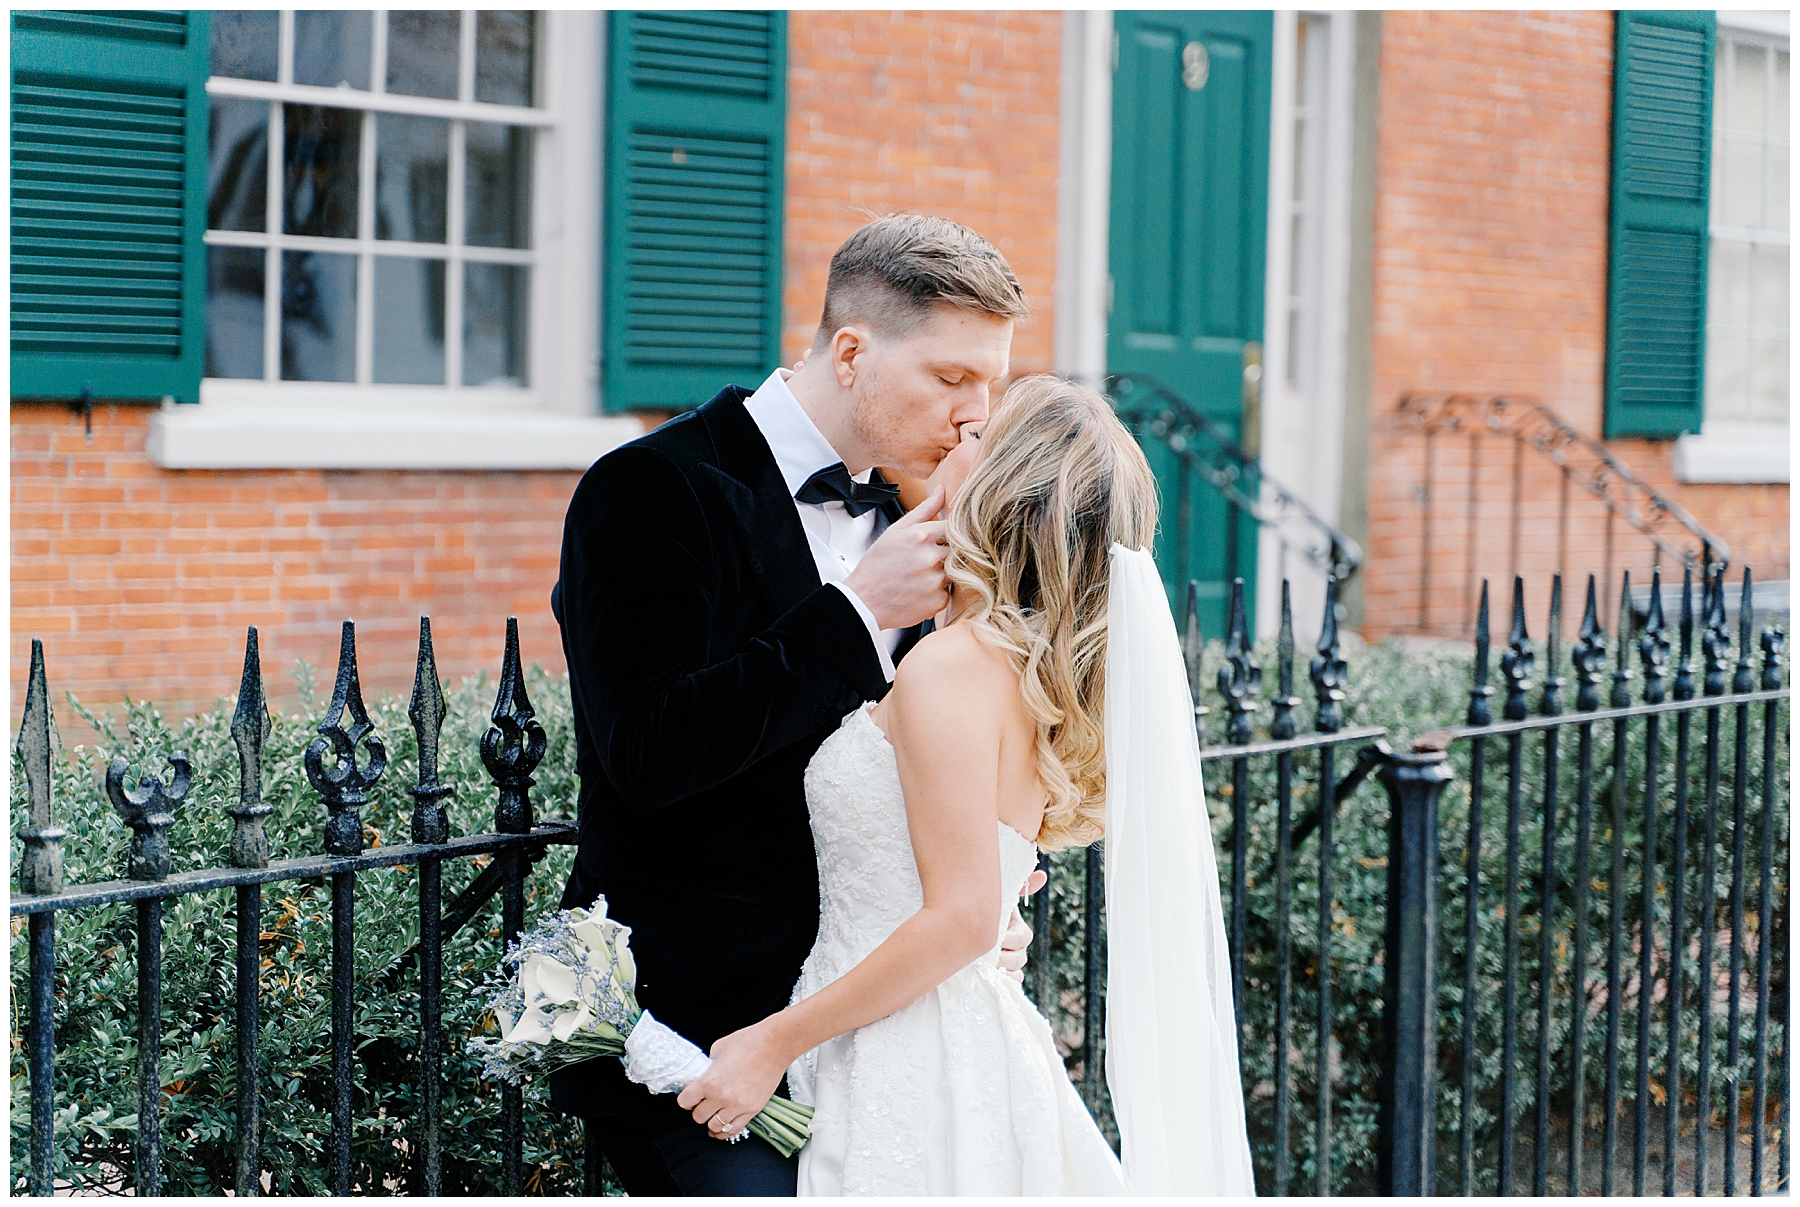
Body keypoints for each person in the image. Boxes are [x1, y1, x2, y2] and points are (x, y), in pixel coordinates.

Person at [548, 214, 1045, 1196]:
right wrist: (857, 616)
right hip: (688, 1029)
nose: (976, 417)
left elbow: (937, 756)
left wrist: (989, 884)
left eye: (993, 386)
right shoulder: (648, 490)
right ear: (852, 351)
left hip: (868, 1026)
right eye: (952, 380)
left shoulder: (916, 524)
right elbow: (647, 753)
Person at [675, 376, 1258, 1195]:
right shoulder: (1025, 669)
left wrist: (771, 1041)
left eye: (977, 435)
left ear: (1001, 485)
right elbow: (976, 884)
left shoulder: (951, 666)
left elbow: (957, 919)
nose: (955, 434)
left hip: (908, 1052)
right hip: (943, 1028)